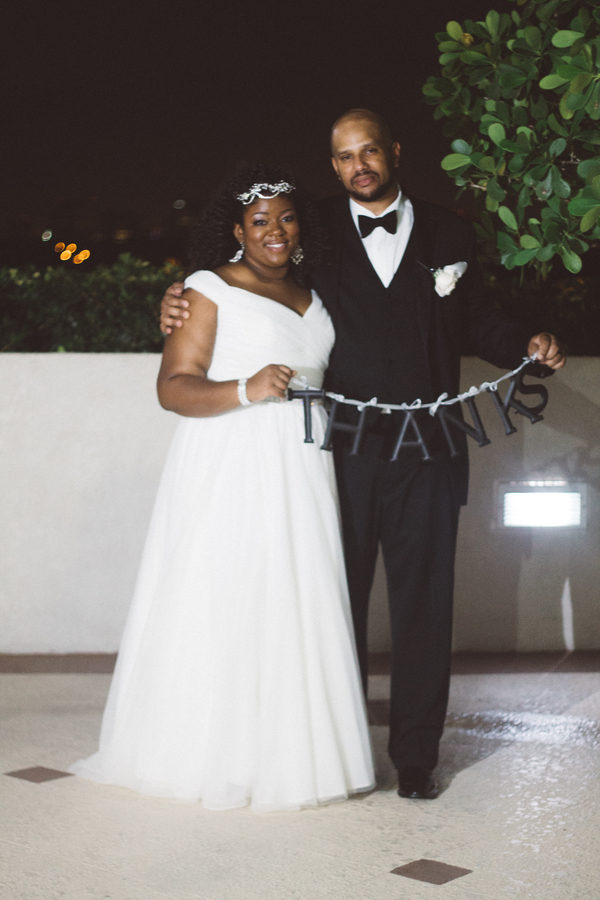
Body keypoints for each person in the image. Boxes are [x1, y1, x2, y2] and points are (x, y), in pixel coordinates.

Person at [160, 110, 567, 800]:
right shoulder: (311, 229)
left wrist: (527, 343)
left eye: (369, 151)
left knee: (424, 606)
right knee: (332, 602)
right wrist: (174, 298)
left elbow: (478, 317)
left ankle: (416, 758)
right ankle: (340, 752)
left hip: (431, 447)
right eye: (346, 157)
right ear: (334, 166)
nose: (360, 166)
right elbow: (247, 275)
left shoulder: (448, 231)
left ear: (393, 152)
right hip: (337, 448)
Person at [70, 163, 375, 812]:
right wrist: (246, 388)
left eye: (286, 218)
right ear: (237, 230)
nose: (275, 230)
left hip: (304, 466)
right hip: (233, 462)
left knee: (293, 598)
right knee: (228, 597)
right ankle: (217, 757)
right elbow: (172, 387)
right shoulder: (206, 288)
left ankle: (293, 756)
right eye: (259, 220)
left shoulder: (315, 293)